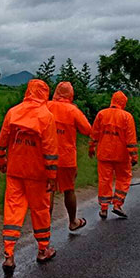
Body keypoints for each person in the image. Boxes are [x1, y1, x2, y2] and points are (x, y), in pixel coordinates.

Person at [0, 79, 59, 274]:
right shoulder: (46, 116)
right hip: (37, 173)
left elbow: (2, 141)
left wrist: (2, 162)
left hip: (15, 170)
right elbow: (50, 149)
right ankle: (42, 250)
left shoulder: (13, 112)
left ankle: (9, 255)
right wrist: (52, 175)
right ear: (44, 94)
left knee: (13, 210)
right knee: (40, 210)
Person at [46, 81, 92, 231]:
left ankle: (44, 227)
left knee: (48, 191)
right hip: (66, 158)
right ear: (71, 94)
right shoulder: (73, 111)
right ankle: (73, 221)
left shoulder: (46, 106)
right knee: (69, 190)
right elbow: (87, 129)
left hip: (46, 156)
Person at [89, 91, 138, 219]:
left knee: (105, 180)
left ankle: (103, 208)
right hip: (121, 156)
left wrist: (91, 147)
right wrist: (134, 156)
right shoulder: (127, 117)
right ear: (123, 102)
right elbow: (131, 139)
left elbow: (94, 133)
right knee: (124, 178)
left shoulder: (101, 114)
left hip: (104, 153)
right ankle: (117, 204)